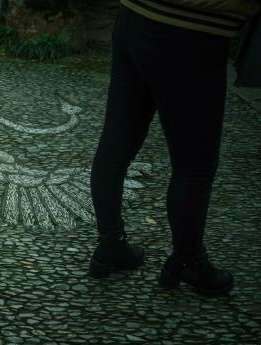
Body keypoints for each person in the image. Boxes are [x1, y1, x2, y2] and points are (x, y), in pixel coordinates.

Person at [88, 0, 260, 296]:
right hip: (191, 31)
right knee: (195, 165)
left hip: (135, 17)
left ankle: (110, 243)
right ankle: (189, 260)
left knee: (116, 145)